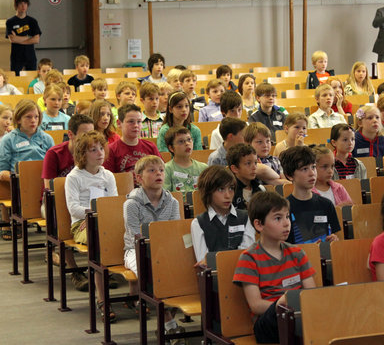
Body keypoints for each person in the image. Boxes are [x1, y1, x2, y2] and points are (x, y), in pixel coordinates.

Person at [233, 191, 316, 344]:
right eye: (278, 218)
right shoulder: (249, 258)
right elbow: (256, 305)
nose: (286, 223)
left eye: (287, 217)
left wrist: (295, 306)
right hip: (268, 321)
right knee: (291, 317)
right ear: (259, 224)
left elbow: (311, 294)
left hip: (298, 313)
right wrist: (283, 304)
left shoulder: (297, 253)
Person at [65, 130, 118, 321]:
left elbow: (113, 203)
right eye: (93, 150)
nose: (100, 153)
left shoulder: (108, 176)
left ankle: (136, 294)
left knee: (132, 238)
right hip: (82, 224)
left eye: (101, 148)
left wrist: (104, 212)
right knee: (99, 242)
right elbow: (74, 209)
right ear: (82, 155)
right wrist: (95, 211)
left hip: (106, 220)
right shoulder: (74, 177)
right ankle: (102, 299)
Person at [123, 156, 181, 327]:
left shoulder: (173, 202)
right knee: (150, 271)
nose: (159, 174)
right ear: (139, 178)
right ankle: (169, 323)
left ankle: (169, 310)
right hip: (136, 251)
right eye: (152, 170)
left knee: (183, 271)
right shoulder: (132, 204)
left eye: (161, 170)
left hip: (165, 251)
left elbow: (174, 232)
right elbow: (135, 237)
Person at [41, 113, 94, 290]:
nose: (89, 139)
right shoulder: (54, 153)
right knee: (59, 215)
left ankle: (100, 269)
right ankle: (74, 270)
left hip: (85, 202)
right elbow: (50, 187)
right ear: (71, 134)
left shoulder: (93, 152)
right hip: (55, 202)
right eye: (84, 134)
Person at [0, 99, 54, 240]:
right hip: (21, 186)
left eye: (36, 117)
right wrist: (19, 178)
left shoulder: (47, 138)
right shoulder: (9, 139)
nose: (33, 120)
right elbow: (1, 172)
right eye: (28, 117)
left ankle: (54, 243)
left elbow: (54, 167)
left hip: (44, 185)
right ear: (18, 119)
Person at [191, 165, 255, 264]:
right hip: (215, 278)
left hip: (243, 274)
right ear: (208, 192)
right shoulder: (198, 223)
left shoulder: (246, 218)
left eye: (231, 188)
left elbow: (247, 256)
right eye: (221, 189)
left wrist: (215, 258)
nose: (228, 195)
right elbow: (203, 262)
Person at [280, 145, 341, 244]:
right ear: (289, 175)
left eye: (313, 167)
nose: (312, 173)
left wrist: (334, 240)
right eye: (304, 169)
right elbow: (284, 247)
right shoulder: (284, 208)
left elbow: (338, 240)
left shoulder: (326, 204)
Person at [103, 104, 161, 186]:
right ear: (119, 123)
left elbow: (161, 172)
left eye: (139, 122)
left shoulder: (150, 146)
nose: (136, 126)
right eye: (131, 122)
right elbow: (108, 181)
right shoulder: (111, 150)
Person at [163, 126, 207, 195]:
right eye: (181, 141)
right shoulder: (166, 169)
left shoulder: (203, 168)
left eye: (189, 139)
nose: (187, 143)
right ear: (171, 148)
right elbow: (165, 197)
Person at [6, 0, 41, 75]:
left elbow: (36, 40)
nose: (23, 6)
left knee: (32, 77)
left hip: (30, 55)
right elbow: (12, 39)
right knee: (15, 77)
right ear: (16, 6)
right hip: (16, 56)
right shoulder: (10, 21)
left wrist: (19, 39)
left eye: (25, 4)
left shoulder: (32, 21)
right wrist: (28, 38)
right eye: (21, 4)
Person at [227, 143, 265, 210]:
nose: (254, 167)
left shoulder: (261, 189)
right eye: (248, 163)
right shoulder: (229, 193)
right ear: (235, 168)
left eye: (255, 163)